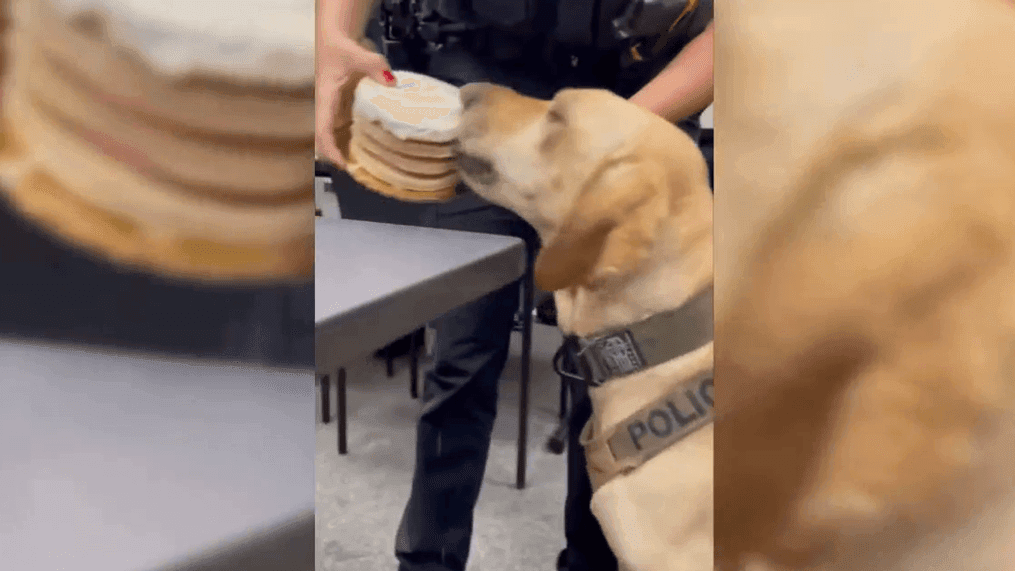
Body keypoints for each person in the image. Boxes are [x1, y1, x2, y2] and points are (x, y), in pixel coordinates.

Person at [316, 1, 713, 570]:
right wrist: (331, 32)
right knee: (461, 359)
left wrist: (599, 135)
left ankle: (591, 563)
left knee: (615, 374)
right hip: (488, 86)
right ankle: (427, 562)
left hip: (641, 104)